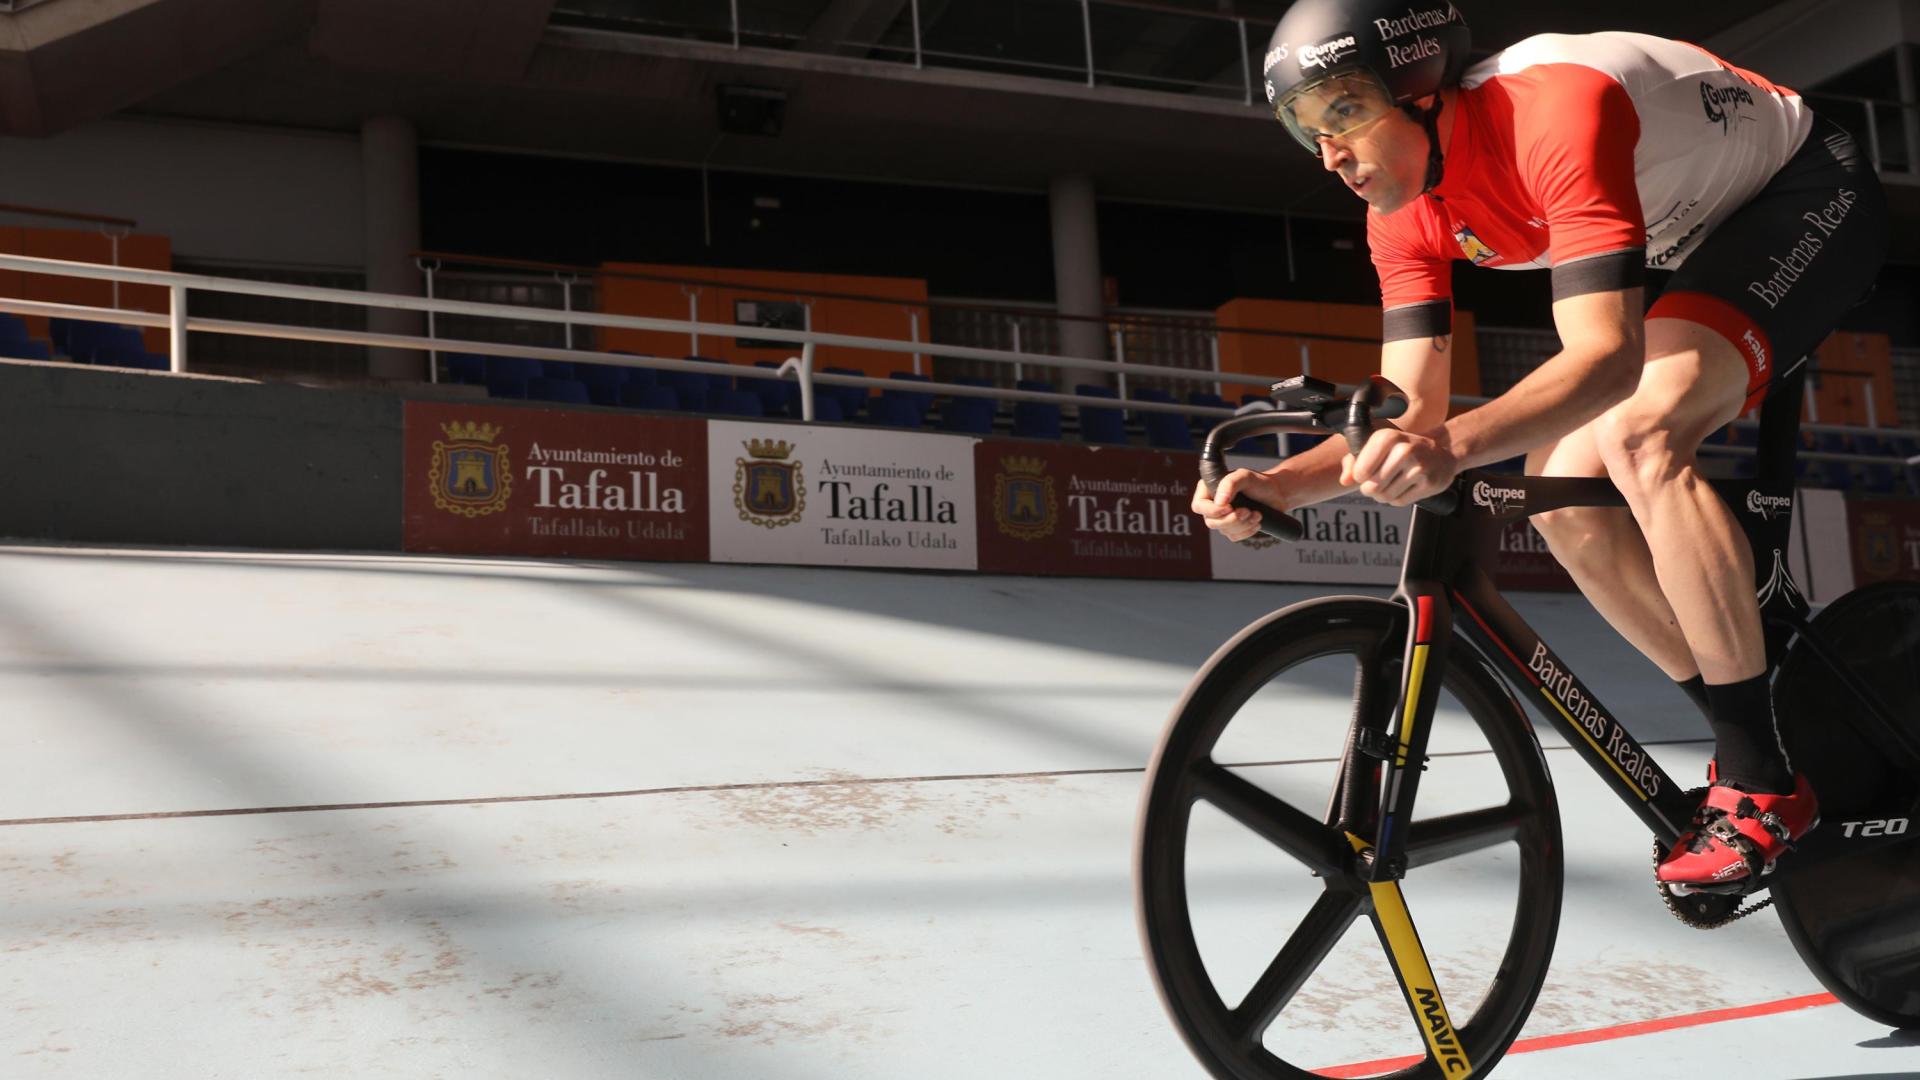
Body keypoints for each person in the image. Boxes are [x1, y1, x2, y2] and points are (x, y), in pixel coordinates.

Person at [1195, 0, 1887, 887]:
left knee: (1642, 436)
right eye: (1305, 126)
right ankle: (1749, 726)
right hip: (1690, 230)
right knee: (1556, 494)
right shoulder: (1399, 211)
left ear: (1422, 89)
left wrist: (1449, 449)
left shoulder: (1553, 109)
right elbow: (1410, 408)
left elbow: (1604, 358)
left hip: (1797, 194)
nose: (1328, 151)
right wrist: (1283, 487)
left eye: (1344, 111)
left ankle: (1760, 782)